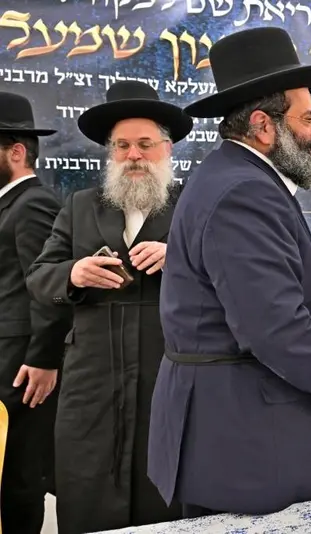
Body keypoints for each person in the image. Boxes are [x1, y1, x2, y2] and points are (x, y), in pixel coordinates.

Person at [148, 27, 311, 519]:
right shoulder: (244, 192)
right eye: (309, 117)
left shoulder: (233, 177)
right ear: (263, 125)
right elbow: (273, 327)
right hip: (245, 448)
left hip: (232, 437)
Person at [26, 80, 193, 534]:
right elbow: (39, 277)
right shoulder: (80, 206)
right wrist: (74, 273)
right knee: (89, 493)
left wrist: (180, 260)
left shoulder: (194, 205)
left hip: (167, 374)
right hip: (92, 383)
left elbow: (232, 272)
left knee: (167, 499)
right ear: (110, 153)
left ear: (167, 148)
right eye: (122, 146)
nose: (133, 155)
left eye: (144, 144)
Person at [0, 91, 71, 534]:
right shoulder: (9, 203)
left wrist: (44, 359)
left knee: (19, 478)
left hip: (22, 369)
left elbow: (48, 287)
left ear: (16, 152)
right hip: (7, 364)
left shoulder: (34, 203)